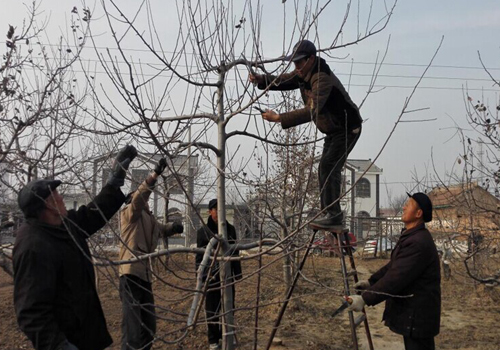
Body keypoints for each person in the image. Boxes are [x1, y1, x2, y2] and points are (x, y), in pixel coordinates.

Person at [13, 145, 138, 350]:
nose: (61, 198)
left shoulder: (62, 225)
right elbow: (31, 313)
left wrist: (113, 184)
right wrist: (60, 346)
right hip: (67, 341)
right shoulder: (33, 247)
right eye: (55, 196)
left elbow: (91, 215)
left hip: (85, 334)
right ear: (45, 206)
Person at [250, 39, 362, 230]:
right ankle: (328, 211)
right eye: (295, 63)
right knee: (323, 169)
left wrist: (279, 118)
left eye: (299, 62)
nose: (297, 67)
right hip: (333, 130)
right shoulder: (304, 72)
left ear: (311, 59)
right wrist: (263, 80)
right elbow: (285, 80)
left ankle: (334, 215)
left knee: (329, 166)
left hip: (347, 129)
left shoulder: (322, 78)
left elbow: (311, 111)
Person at [347, 192, 441, 350]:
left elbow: (396, 278)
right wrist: (371, 282)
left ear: (418, 213)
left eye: (408, 205)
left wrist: (365, 299)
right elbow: (394, 266)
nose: (404, 207)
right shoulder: (412, 236)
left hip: (418, 315)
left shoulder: (418, 242)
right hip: (415, 314)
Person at [119, 157, 184, 350]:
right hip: (130, 273)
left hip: (144, 275)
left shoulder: (149, 219)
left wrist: (175, 227)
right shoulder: (129, 215)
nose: (145, 201)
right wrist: (153, 176)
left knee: (148, 326)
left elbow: (161, 229)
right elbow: (139, 199)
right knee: (132, 329)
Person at [195, 199, 242, 350]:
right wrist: (201, 276)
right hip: (211, 275)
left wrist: (237, 273)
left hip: (227, 274)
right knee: (212, 308)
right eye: (215, 209)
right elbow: (199, 256)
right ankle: (213, 339)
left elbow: (235, 251)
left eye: (220, 209)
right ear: (210, 211)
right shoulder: (203, 232)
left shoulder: (231, 229)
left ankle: (227, 334)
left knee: (229, 306)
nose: (218, 212)